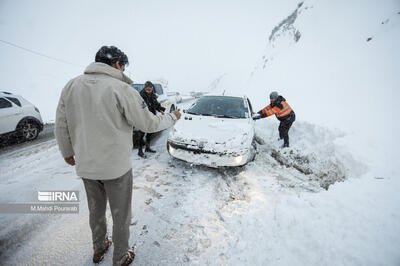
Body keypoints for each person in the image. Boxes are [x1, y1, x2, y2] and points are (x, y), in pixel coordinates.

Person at [54, 45, 181, 266]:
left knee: (96, 210)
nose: (124, 70)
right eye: (123, 66)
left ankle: (99, 247)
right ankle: (121, 257)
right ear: (116, 64)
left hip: (87, 166)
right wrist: (172, 117)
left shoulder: (71, 86)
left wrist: (67, 152)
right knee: (120, 214)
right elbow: (148, 123)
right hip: (116, 168)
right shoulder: (122, 89)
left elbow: (61, 124)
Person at [137, 81, 166, 158]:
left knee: (150, 132)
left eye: (150, 89)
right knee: (141, 134)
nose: (149, 90)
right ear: (145, 88)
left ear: (152, 88)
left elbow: (156, 104)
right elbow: (139, 107)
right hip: (143, 117)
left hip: (151, 116)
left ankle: (147, 147)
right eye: (147, 89)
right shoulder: (140, 95)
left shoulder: (153, 95)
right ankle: (140, 151)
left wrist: (160, 109)